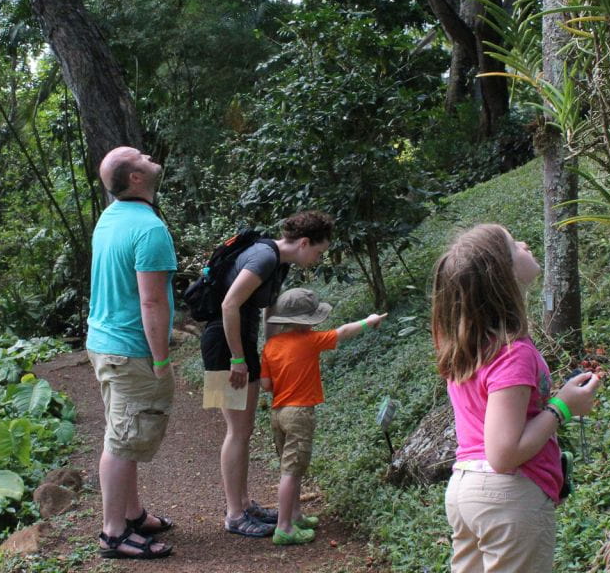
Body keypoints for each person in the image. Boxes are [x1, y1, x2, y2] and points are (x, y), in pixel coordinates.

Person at [431, 224, 601, 572]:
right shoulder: (512, 354)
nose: (525, 243)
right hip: (506, 494)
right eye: (514, 246)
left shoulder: (471, 347)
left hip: (466, 488)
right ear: (503, 274)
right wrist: (563, 406)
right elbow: (503, 454)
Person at [200, 210, 334, 537]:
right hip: (222, 345)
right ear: (304, 242)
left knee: (243, 430)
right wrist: (237, 359)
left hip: (240, 343)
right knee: (236, 430)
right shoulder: (263, 257)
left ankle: (244, 504)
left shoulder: (279, 262)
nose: (317, 259)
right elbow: (229, 305)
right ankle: (234, 514)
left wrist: (273, 353)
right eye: (318, 252)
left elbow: (268, 311)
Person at [86, 146, 176, 560]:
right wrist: (160, 359)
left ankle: (133, 513)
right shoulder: (149, 228)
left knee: (124, 429)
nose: (146, 154)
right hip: (130, 349)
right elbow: (152, 302)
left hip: (104, 343)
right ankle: (113, 534)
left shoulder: (111, 218)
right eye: (138, 155)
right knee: (121, 439)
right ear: (135, 178)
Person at [260, 288, 387, 545]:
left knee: (290, 467)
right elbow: (343, 332)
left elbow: (265, 384)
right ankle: (283, 527)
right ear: (309, 320)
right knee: (292, 472)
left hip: (277, 413)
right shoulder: (310, 341)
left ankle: (295, 515)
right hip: (299, 413)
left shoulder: (272, 345)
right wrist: (368, 320)